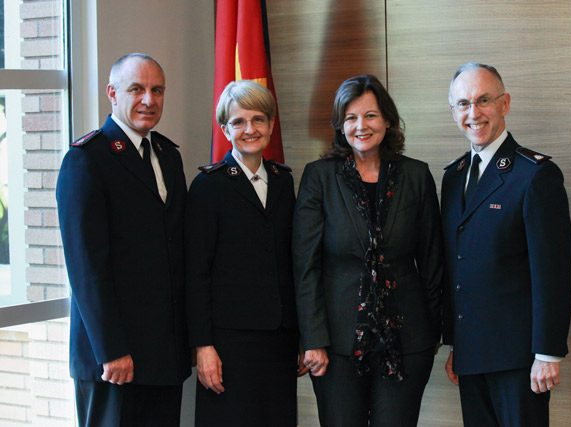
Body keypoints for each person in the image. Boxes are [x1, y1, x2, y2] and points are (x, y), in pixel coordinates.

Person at [293, 74, 444, 426]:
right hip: (336, 344)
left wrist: (435, 332)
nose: (361, 126)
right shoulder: (319, 177)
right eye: (351, 117)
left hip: (406, 342)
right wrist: (313, 339)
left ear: (388, 120)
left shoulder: (416, 176)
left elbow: (433, 260)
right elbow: (305, 265)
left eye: (371, 115)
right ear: (340, 125)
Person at [56, 53, 190, 426]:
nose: (149, 100)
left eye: (157, 90)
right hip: (113, 358)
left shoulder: (168, 155)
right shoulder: (87, 160)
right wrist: (112, 350)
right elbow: (86, 268)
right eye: (137, 89)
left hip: (164, 354)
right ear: (113, 93)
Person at [441, 62, 571, 426]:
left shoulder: (534, 175)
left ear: (505, 103)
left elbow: (554, 271)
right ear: (454, 112)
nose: (474, 113)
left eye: (484, 100)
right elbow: (459, 264)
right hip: (472, 354)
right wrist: (456, 343)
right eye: (463, 104)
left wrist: (548, 351)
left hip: (520, 358)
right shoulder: (452, 178)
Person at [185, 80, 304, 426]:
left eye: (258, 119)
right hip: (228, 345)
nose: (249, 129)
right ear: (225, 129)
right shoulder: (208, 186)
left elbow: (289, 264)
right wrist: (203, 347)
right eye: (238, 122)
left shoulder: (283, 182)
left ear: (270, 125)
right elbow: (197, 273)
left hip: (279, 341)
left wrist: (300, 337)